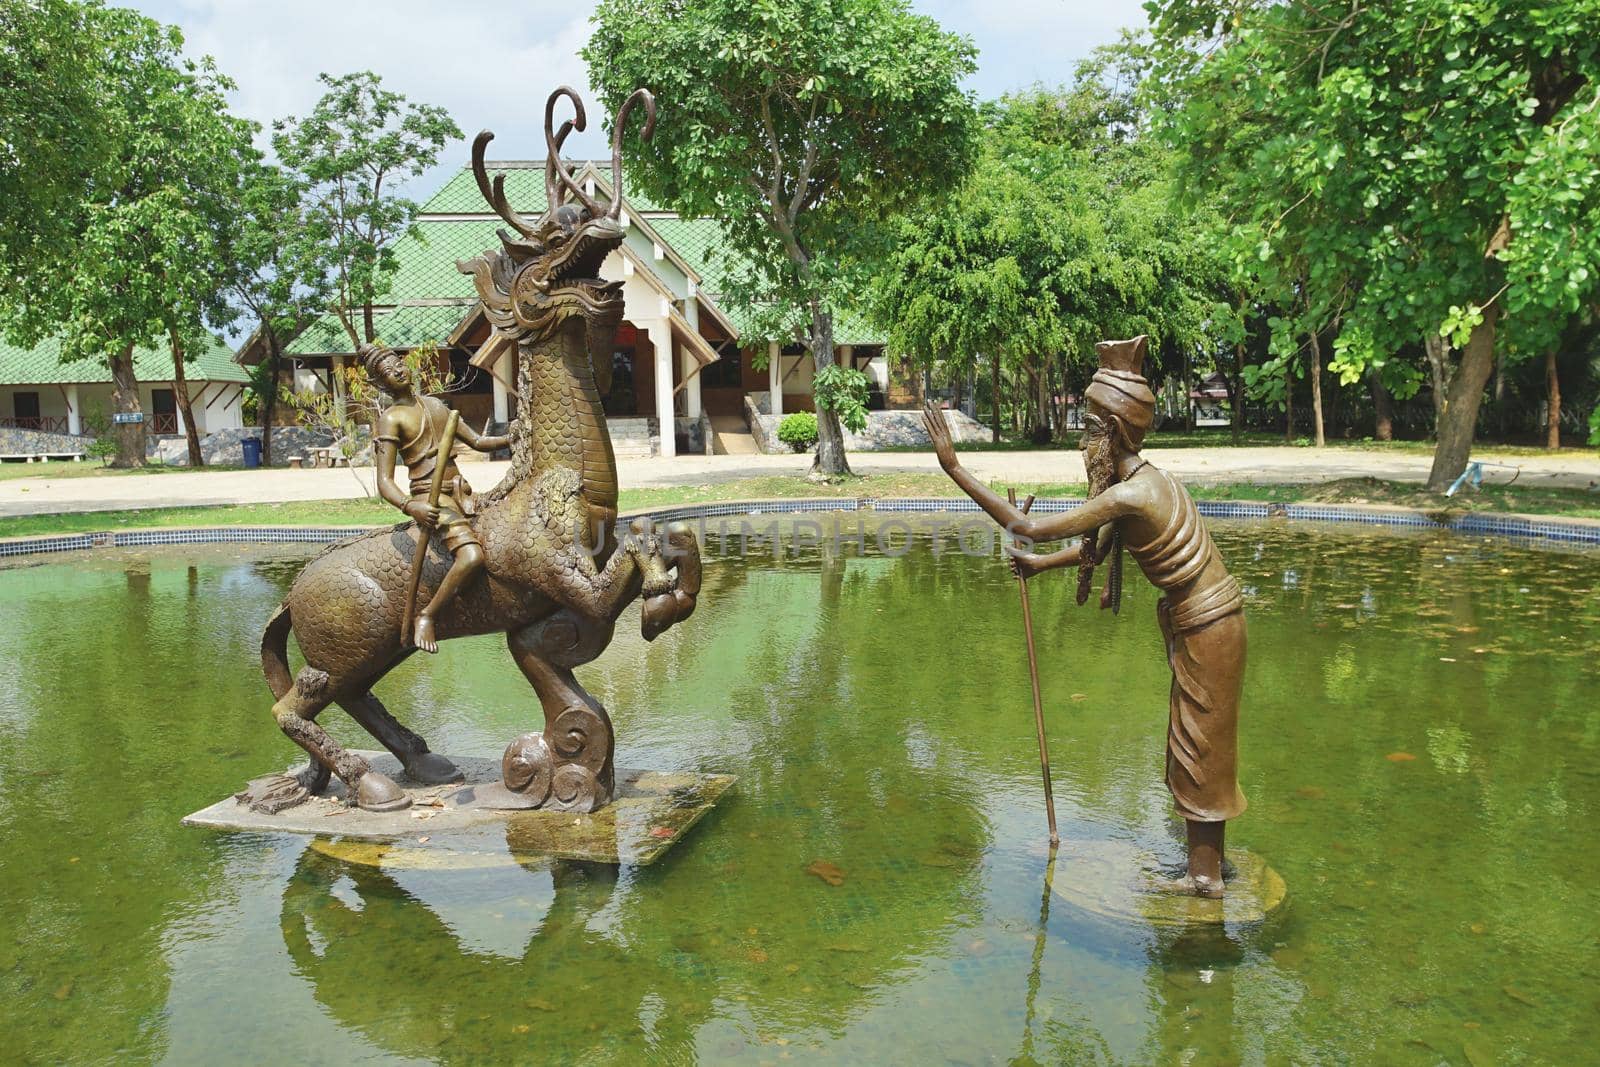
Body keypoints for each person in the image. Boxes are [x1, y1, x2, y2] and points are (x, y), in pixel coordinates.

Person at [923, 335, 1246, 897]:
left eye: (1090, 430)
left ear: (1115, 433)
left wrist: (955, 469)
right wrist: (1041, 567)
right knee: (1193, 743)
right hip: (1206, 623)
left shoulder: (1133, 495)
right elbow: (1097, 550)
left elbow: (1030, 525)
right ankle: (1209, 864)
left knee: (1201, 748)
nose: (1081, 445)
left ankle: (1205, 877)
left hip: (1209, 625)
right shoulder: (1148, 483)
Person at [364, 343, 511, 653]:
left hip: (460, 491)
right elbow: (384, 482)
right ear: (380, 384)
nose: (399, 371)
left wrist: (514, 435)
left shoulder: (436, 405)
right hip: (432, 499)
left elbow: (480, 441)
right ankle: (428, 615)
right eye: (389, 372)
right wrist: (410, 506)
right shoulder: (391, 419)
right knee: (472, 557)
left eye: (399, 364)